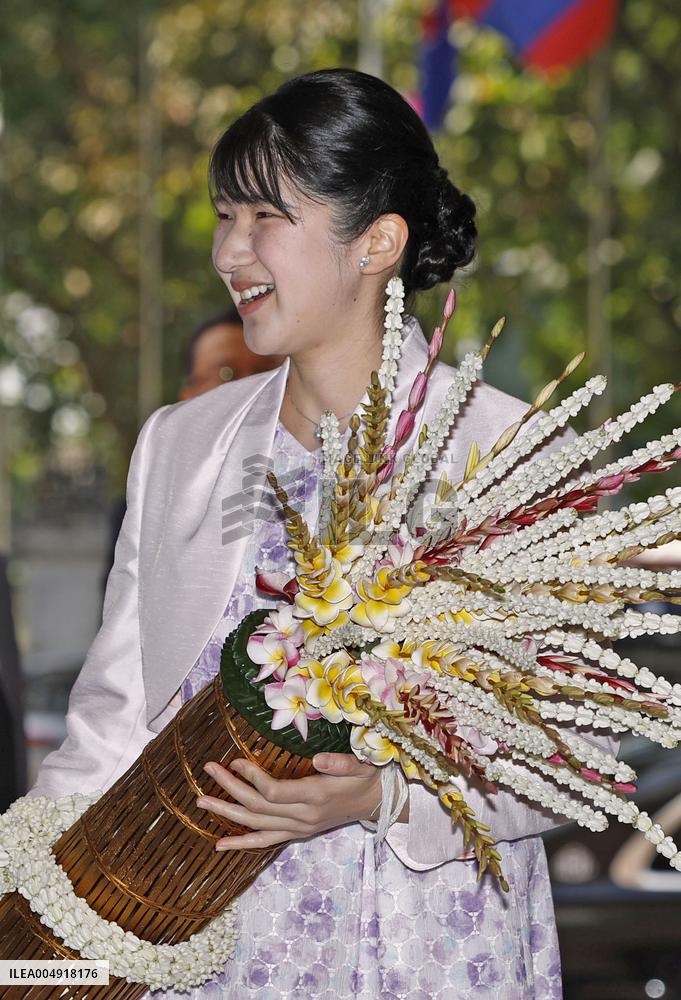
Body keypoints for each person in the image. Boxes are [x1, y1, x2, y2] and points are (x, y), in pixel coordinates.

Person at [30, 69, 615, 998]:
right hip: (205, 948)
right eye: (223, 216)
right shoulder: (182, 445)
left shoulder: (506, 455)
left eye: (264, 216)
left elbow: (574, 754)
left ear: (377, 241)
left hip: (433, 953)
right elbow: (111, 726)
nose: (230, 249)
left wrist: (384, 796)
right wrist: (25, 925)